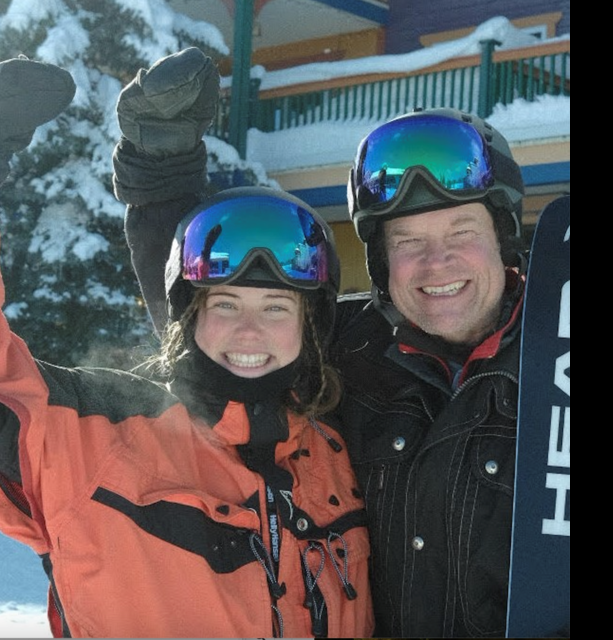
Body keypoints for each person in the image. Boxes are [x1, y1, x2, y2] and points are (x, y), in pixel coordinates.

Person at [0, 57, 373, 638]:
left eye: (275, 309)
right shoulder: (97, 441)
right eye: (224, 306)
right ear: (191, 317)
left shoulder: (341, 443)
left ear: (311, 325)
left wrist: (162, 181)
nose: (249, 333)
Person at [112, 47, 568, 637]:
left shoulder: (558, 358)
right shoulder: (343, 354)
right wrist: (161, 180)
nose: (437, 263)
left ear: (505, 239)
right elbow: (219, 341)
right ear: (380, 262)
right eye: (407, 242)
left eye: (462, 231)